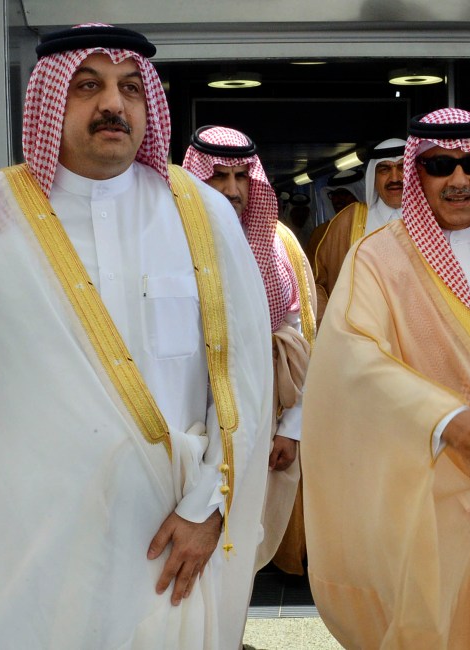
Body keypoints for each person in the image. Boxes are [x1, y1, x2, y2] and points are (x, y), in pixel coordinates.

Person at [0, 25, 273, 650]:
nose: (112, 104)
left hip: (165, 543)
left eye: (128, 87)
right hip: (23, 550)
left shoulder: (203, 215)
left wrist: (208, 508)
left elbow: (245, 381)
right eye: (86, 85)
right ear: (49, 96)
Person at [302, 108, 470, 649]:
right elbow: (352, 362)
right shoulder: (378, 261)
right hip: (424, 500)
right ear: (417, 172)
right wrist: (446, 419)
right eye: (439, 165)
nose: (458, 180)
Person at [182, 126, 316, 575]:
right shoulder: (167, 240)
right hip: (184, 428)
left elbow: (297, 344)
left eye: (242, 177)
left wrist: (291, 428)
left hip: (257, 425)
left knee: (241, 546)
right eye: (218, 176)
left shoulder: (277, 247)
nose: (232, 189)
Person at [311, 138, 406, 323]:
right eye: (384, 169)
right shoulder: (349, 221)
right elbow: (316, 283)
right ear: (373, 176)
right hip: (361, 336)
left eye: (402, 167)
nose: (395, 178)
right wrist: (332, 327)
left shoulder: (433, 219)